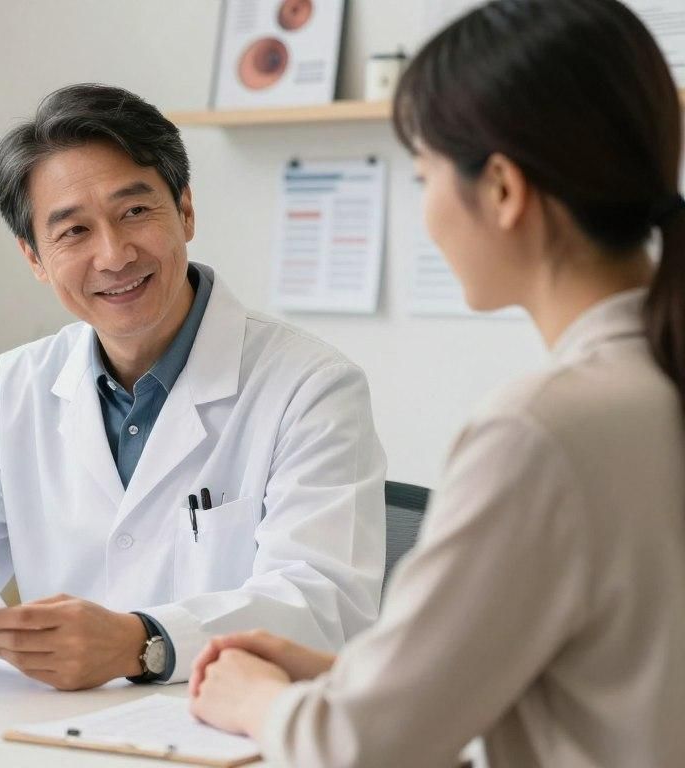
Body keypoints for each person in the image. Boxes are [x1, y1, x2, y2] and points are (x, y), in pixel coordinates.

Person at [188, 1, 685, 765]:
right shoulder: (651, 380)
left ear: (503, 191)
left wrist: (257, 703)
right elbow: (607, 680)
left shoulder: (543, 431)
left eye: (423, 177)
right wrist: (348, 679)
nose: (424, 211)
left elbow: (365, 749)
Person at [0, 83, 387, 690]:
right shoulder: (17, 386)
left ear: (185, 211)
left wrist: (144, 642)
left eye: (135, 211)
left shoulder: (309, 387)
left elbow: (324, 605)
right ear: (35, 257)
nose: (113, 254)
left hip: (233, 733)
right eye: (73, 231)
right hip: (57, 729)